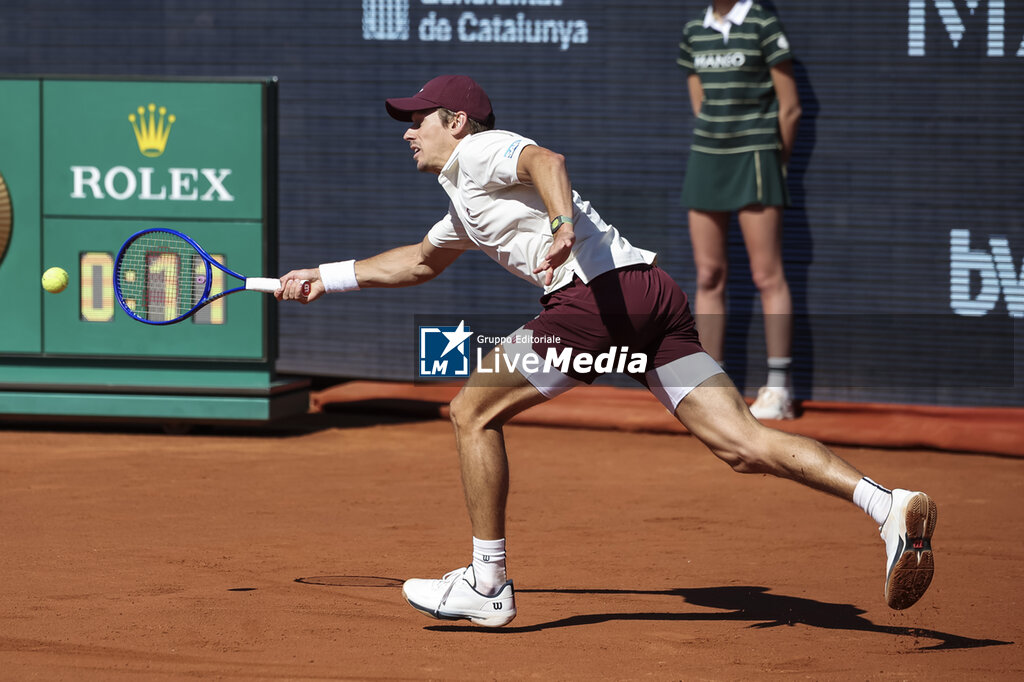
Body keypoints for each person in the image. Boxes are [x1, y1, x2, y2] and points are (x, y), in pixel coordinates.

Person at [276, 75, 937, 628]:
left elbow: (546, 162)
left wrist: (562, 228)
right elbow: (419, 262)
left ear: (456, 121)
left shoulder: (483, 152)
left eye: (418, 119)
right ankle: (888, 507)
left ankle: (486, 583)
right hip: (650, 297)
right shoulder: (465, 199)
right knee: (742, 445)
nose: (407, 130)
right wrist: (323, 278)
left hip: (595, 298)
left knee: (471, 411)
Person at [677, 0, 802, 420]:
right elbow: (701, 105)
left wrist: (772, 159)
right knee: (709, 274)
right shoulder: (694, 30)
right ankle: (714, 386)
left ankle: (778, 388)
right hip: (708, 158)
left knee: (767, 274)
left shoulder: (763, 24)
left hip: (756, 158)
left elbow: (790, 107)